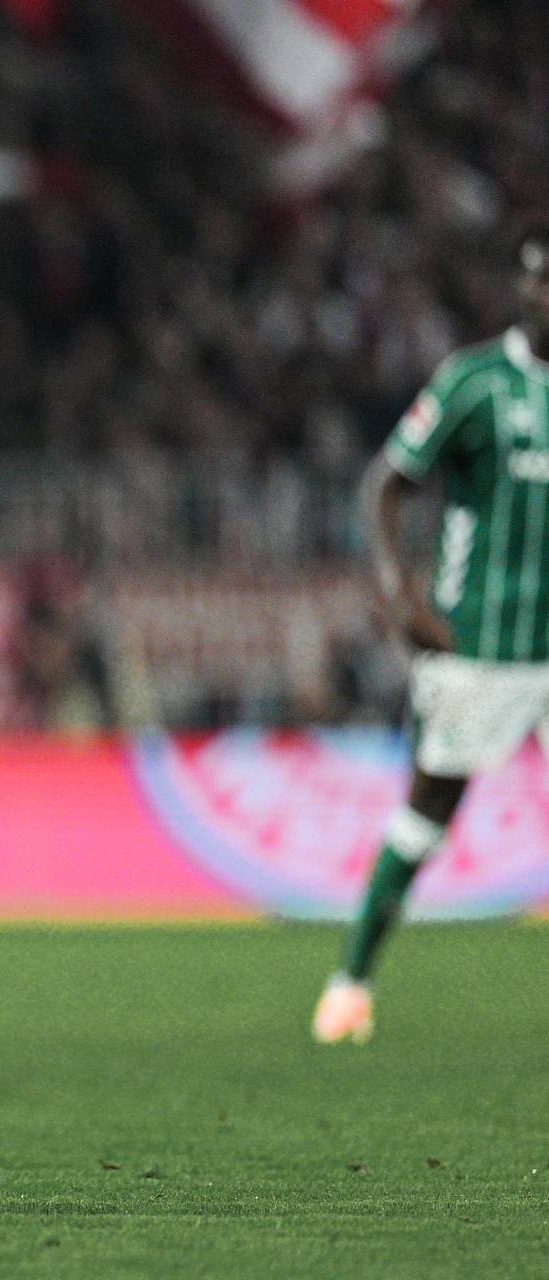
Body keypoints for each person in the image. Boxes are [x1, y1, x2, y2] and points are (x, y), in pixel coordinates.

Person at [314, 225, 549, 1044]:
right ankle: (350, 981)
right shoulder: (476, 383)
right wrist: (396, 590)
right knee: (429, 809)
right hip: (478, 645)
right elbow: (389, 481)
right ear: (526, 288)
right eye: (543, 281)